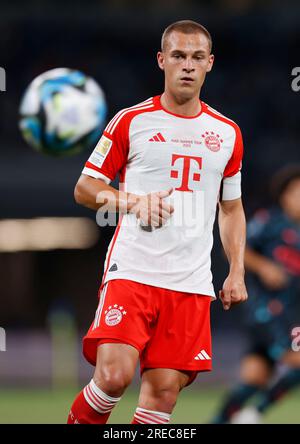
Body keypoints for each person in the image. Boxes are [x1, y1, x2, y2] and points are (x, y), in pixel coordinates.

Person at [67, 19, 248, 425]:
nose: (188, 65)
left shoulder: (228, 133)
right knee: (113, 377)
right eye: (179, 56)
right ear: (162, 60)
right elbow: (85, 187)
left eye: (197, 57)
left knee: (162, 395)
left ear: (210, 64)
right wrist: (132, 202)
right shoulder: (132, 121)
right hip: (133, 271)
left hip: (190, 282)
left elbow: (231, 208)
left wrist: (236, 270)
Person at [211, 165, 300, 424]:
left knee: (255, 377)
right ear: (285, 196)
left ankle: (218, 420)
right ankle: (254, 413)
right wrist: (264, 267)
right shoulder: (269, 222)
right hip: (268, 311)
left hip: (292, 314)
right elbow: (235, 249)